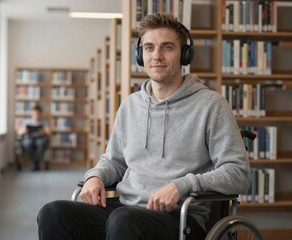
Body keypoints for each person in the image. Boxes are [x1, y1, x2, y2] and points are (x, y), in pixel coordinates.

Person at [37, 13, 251, 239]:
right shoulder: (130, 105)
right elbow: (114, 161)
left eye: (167, 47)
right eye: (149, 48)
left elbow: (239, 174)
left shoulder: (211, 105)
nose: (157, 56)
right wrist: (96, 176)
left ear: (185, 55)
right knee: (53, 213)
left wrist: (182, 185)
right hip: (124, 210)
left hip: (178, 217)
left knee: (124, 221)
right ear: (140, 55)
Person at [17, 105, 50, 171]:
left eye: (37, 113)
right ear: (31, 113)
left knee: (41, 144)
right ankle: (36, 162)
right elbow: (19, 132)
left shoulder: (44, 121)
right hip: (28, 138)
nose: (36, 115)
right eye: (34, 113)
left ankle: (35, 163)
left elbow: (49, 132)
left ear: (40, 114)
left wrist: (43, 131)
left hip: (40, 138)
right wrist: (24, 130)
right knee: (27, 144)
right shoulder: (26, 121)